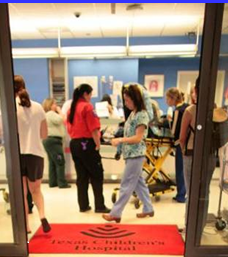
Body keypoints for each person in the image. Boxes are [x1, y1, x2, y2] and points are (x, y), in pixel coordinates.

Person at [103, 84, 154, 223]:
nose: (126, 103)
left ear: (135, 99)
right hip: (131, 154)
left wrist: (120, 140)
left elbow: (138, 138)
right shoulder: (133, 114)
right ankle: (148, 208)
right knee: (139, 183)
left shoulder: (142, 115)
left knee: (126, 184)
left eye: (127, 100)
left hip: (136, 155)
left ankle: (116, 213)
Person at [14, 75, 51, 234]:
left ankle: (26, 226)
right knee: (36, 190)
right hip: (35, 154)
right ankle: (42, 216)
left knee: (21, 194)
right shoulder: (37, 107)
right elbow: (44, 135)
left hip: (18, 155)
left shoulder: (10, 108)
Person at [179, 77, 216, 233]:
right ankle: (200, 227)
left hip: (191, 155)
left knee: (191, 191)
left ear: (195, 91)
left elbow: (181, 138)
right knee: (204, 191)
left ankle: (189, 226)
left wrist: (182, 151)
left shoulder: (190, 111)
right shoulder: (215, 109)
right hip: (209, 156)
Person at [67, 84, 109, 213]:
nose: (91, 97)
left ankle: (83, 205)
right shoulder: (87, 107)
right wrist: (97, 144)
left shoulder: (71, 109)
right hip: (87, 144)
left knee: (82, 176)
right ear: (85, 94)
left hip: (74, 144)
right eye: (90, 94)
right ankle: (100, 206)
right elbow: (94, 129)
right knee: (96, 174)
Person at [165, 87, 188, 203]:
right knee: (186, 169)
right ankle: (184, 193)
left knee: (180, 169)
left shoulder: (178, 111)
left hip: (180, 143)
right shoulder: (188, 107)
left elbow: (174, 131)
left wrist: (168, 121)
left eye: (167, 98)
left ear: (172, 98)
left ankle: (181, 195)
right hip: (189, 143)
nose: (166, 101)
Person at [42, 98, 71, 189]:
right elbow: (62, 119)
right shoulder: (51, 114)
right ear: (50, 105)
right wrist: (60, 111)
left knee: (52, 162)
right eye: (54, 104)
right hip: (54, 141)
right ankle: (62, 183)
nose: (56, 105)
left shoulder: (46, 115)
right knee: (60, 161)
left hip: (48, 141)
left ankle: (53, 182)